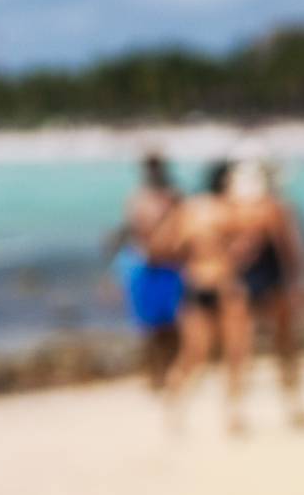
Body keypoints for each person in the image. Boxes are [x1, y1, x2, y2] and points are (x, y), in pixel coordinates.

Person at [156, 160, 252, 434]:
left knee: (192, 355)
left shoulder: (189, 210)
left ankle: (174, 412)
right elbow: (249, 246)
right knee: (236, 353)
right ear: (227, 182)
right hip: (225, 284)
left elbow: (163, 246)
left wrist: (192, 255)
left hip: (194, 281)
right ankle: (233, 415)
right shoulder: (231, 210)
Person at [229, 156, 304, 427]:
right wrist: (300, 284)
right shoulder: (275, 209)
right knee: (284, 346)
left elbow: (223, 254)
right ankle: (293, 406)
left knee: (241, 350)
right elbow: (289, 251)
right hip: (272, 281)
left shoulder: (232, 208)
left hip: (241, 284)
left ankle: (235, 412)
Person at [106, 153, 184, 388]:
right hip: (144, 265)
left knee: (174, 324)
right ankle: (155, 375)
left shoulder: (174, 197)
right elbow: (126, 232)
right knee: (149, 327)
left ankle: (172, 372)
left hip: (170, 264)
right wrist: (113, 267)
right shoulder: (138, 199)